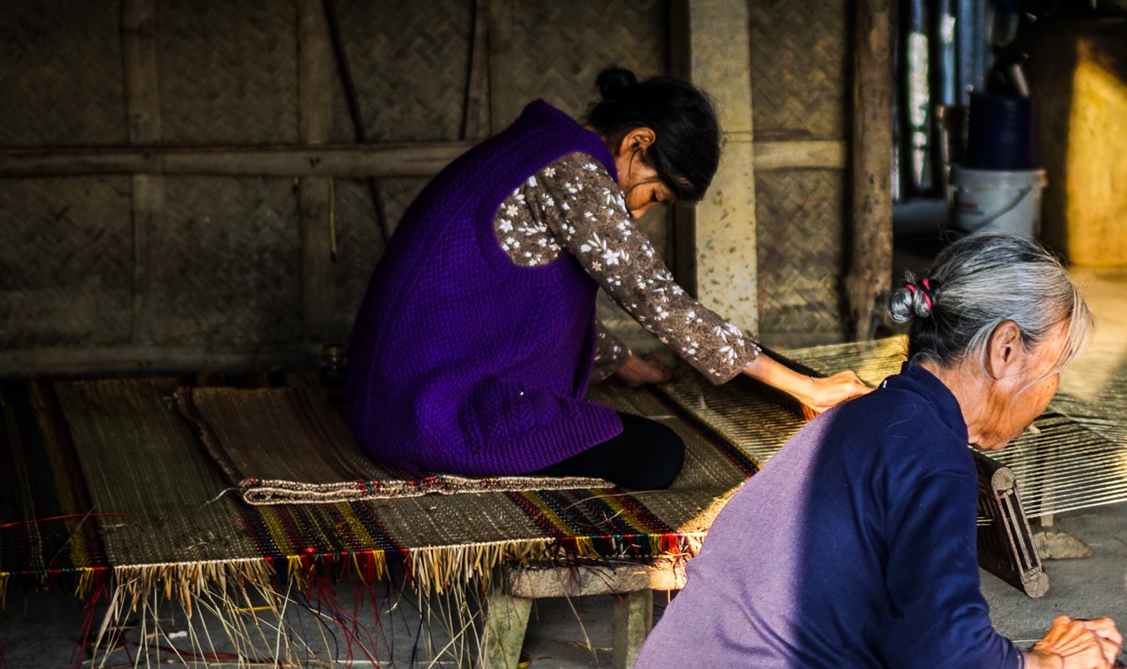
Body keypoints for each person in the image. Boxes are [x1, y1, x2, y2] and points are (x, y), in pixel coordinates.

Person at [609, 232, 1127, 669]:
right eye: (1056, 367)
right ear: (1006, 348)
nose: (1052, 391)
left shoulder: (858, 417)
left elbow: (904, 626)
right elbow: (945, 650)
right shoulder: (937, 459)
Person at [345, 68, 867, 490]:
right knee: (657, 456)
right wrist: (805, 386)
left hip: (395, 389)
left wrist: (625, 363)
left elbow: (520, 301)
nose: (640, 214)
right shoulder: (573, 171)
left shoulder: (542, 145)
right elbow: (655, 296)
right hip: (431, 409)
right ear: (639, 142)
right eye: (655, 195)